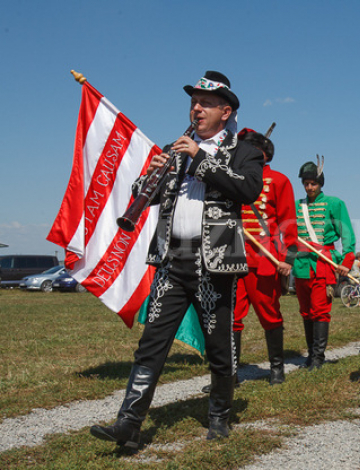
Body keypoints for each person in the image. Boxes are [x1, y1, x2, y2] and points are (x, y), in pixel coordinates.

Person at [90, 71, 264, 448]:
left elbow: (248, 190)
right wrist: (147, 178)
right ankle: (129, 423)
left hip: (215, 259)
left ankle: (219, 416)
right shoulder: (175, 147)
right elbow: (148, 196)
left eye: (205, 103)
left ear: (226, 110)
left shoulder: (243, 149)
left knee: (219, 345)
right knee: (152, 342)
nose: (196, 108)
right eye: (193, 102)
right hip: (173, 257)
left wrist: (199, 157)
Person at [232, 127, 297, 385]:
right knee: (231, 317)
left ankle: (277, 369)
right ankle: (229, 374)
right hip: (232, 255)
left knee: (269, 313)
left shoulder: (279, 181)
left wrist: (288, 259)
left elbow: (288, 223)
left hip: (264, 259)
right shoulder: (231, 178)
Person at [294, 158, 356, 369]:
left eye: (314, 183)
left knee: (320, 310)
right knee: (305, 311)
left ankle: (318, 358)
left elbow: (346, 234)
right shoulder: (296, 206)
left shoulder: (334, 204)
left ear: (321, 183)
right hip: (302, 264)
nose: (310, 187)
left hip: (323, 263)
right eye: (306, 183)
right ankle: (310, 354)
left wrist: (347, 260)